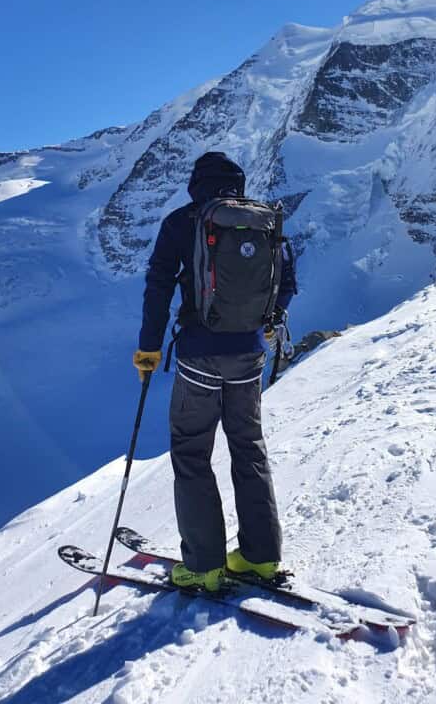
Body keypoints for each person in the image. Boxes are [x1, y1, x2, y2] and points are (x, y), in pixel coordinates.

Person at [132, 151, 297, 592]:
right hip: (249, 357)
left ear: (195, 185)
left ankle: (203, 564)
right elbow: (289, 285)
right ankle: (260, 558)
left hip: (199, 358)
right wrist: (264, 325)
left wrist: (149, 349)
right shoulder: (265, 222)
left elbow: (158, 286)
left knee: (191, 452)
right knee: (249, 449)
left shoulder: (183, 221)